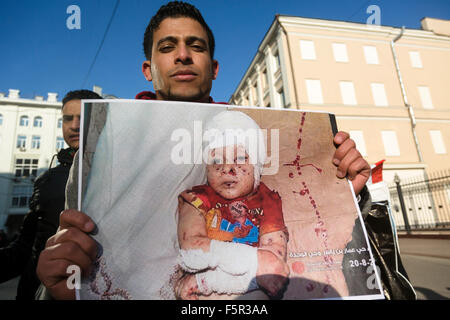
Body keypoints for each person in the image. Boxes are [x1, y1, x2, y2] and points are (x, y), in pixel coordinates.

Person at [37, 1, 413, 300]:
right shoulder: (108, 144)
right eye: (168, 47)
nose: (182, 55)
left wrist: (350, 196)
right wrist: (58, 287)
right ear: (147, 68)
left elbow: (363, 272)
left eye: (195, 46)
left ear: (214, 67)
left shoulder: (244, 132)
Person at [0, 90, 102, 299]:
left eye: (83, 117)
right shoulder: (47, 178)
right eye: (67, 118)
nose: (74, 125)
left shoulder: (118, 173)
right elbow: (25, 247)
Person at [176, 111, 289, 299]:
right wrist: (253, 261)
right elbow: (191, 249)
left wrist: (207, 282)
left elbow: (273, 265)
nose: (227, 168)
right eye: (216, 160)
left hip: (246, 288)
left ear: (257, 166)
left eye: (241, 158)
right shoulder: (197, 198)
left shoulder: (266, 199)